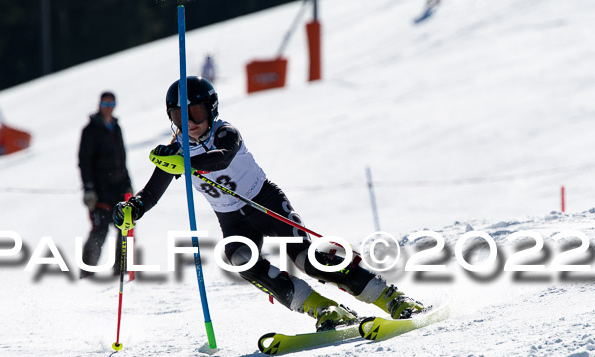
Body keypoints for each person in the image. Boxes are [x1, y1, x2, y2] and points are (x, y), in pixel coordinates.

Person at [112, 77, 424, 330]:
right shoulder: (177, 150)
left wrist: (186, 163)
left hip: (265, 202)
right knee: (239, 258)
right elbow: (151, 192)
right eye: (179, 115)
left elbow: (222, 158)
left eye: (194, 112)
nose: (189, 122)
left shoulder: (225, 132)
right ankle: (323, 309)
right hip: (232, 220)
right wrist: (133, 209)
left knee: (306, 259)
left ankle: (389, 296)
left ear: (210, 109)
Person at [78, 91, 132, 278]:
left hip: (118, 186)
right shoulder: (91, 130)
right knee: (99, 230)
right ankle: (86, 273)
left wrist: (128, 185)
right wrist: (89, 188)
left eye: (111, 104)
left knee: (124, 228)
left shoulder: (116, 127)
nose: (108, 108)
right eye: (105, 104)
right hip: (100, 190)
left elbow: (122, 158)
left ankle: (121, 271)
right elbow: (84, 161)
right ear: (99, 104)